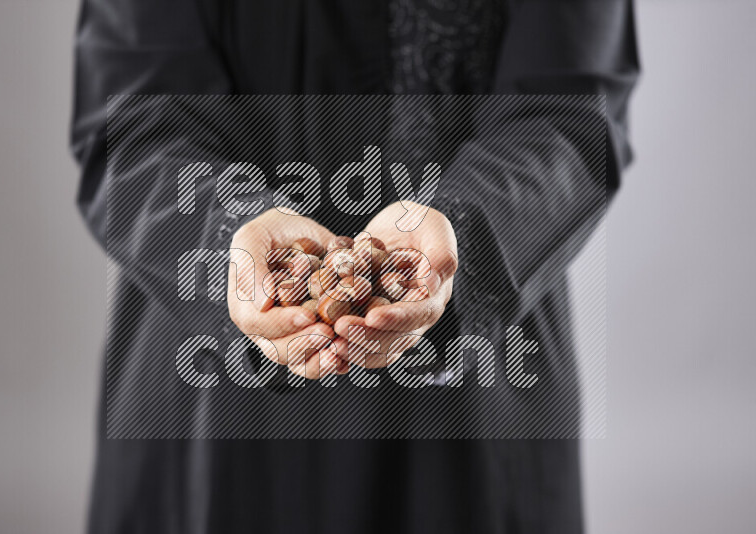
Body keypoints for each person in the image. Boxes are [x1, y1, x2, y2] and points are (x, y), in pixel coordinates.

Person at [71, 0, 638, 532]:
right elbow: (130, 122)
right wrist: (224, 244)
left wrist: (464, 234)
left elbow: (571, 111)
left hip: (472, 399)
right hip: (210, 403)